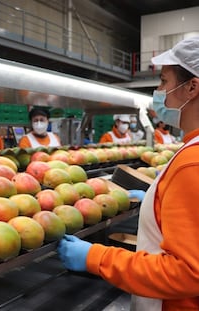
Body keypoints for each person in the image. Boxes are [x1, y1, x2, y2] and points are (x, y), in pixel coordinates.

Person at [58, 36, 199, 310]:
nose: (159, 91)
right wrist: (156, 199)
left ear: (192, 87)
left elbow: (187, 272)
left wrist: (96, 258)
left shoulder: (191, 163)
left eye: (164, 81)